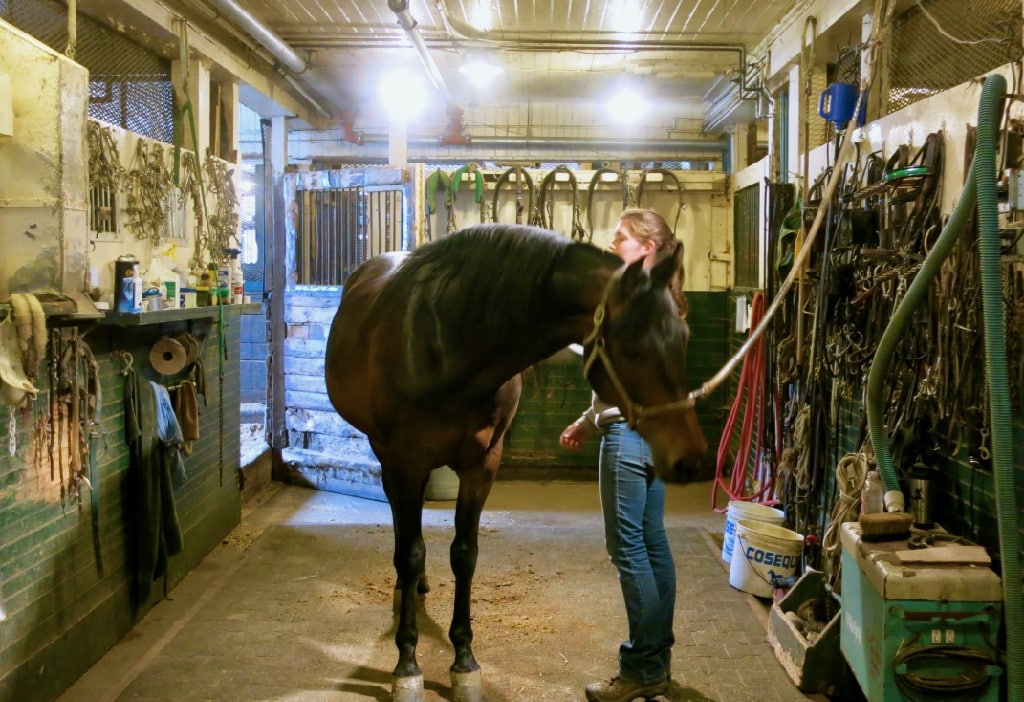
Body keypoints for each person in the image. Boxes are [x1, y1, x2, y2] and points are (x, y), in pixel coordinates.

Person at [559, 208, 687, 702]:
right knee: (653, 545)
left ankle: (639, 669)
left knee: (628, 551)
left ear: (647, 250)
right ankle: (658, 661)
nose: (611, 246)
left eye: (621, 239)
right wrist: (587, 419)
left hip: (628, 442)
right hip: (650, 436)